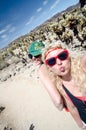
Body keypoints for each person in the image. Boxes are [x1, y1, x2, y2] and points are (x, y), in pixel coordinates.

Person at [42, 42, 86, 129]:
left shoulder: (83, 68)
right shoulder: (61, 87)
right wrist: (82, 126)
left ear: (69, 57)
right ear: (49, 68)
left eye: (62, 56)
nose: (59, 62)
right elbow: (72, 108)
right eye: (51, 61)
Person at [28, 41, 64, 111]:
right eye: (30, 56)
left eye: (36, 55)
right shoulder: (59, 60)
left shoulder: (41, 70)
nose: (33, 58)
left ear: (43, 53)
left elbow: (58, 101)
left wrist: (60, 107)